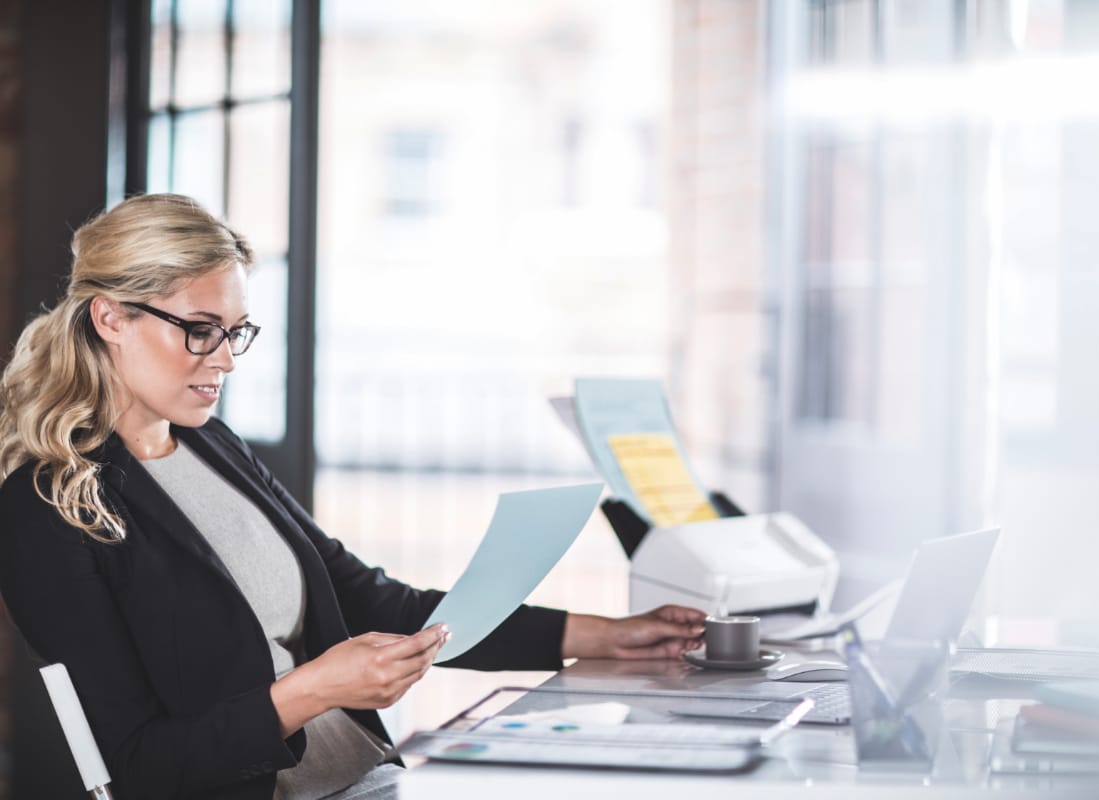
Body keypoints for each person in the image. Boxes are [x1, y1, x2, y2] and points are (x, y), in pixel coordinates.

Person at [0, 193, 706, 800]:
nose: (223, 358)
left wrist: (601, 635)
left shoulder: (214, 446)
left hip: (367, 776)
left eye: (234, 332)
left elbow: (376, 602)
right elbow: (139, 768)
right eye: (198, 330)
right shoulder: (45, 508)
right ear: (109, 318)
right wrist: (316, 689)